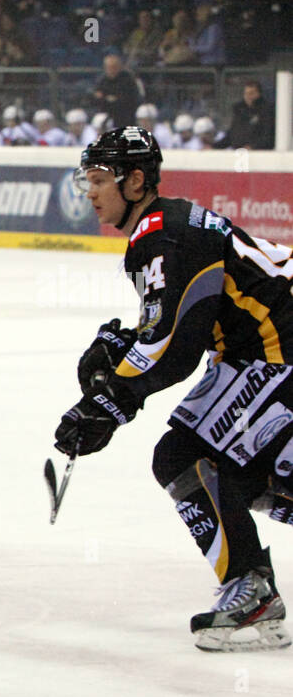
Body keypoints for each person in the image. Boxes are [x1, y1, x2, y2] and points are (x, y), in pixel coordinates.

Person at [53, 126, 293, 652]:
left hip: (277, 348)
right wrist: (122, 353)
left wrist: (108, 402)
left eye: (99, 179)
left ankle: (252, 592)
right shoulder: (163, 229)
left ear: (135, 181)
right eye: (86, 180)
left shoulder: (165, 236)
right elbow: (176, 326)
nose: (89, 192)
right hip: (263, 348)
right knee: (233, 468)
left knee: (186, 455)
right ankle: (253, 587)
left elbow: (176, 346)